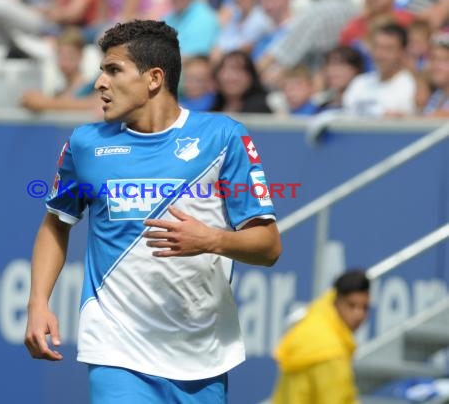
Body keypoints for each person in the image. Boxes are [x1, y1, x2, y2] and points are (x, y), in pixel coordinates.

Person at [24, 20, 282, 404]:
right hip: (116, 348)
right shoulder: (86, 145)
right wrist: (38, 301)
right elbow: (56, 224)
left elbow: (269, 246)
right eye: (101, 71)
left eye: (113, 70)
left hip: (203, 354)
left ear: (154, 78)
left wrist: (211, 239)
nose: (100, 83)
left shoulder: (224, 137)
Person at [271, 269, 371, 404]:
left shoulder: (311, 325)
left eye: (365, 307)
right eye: (351, 305)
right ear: (336, 301)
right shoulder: (331, 352)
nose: (359, 315)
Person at [342, 22, 416, 117]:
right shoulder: (360, 82)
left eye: (388, 49)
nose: (380, 55)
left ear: (402, 52)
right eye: (377, 47)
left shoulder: (410, 86)